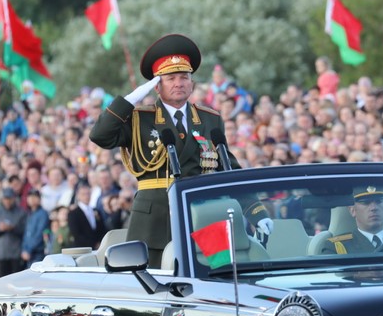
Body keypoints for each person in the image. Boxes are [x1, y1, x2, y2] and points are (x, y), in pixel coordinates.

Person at [90, 34, 271, 267]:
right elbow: (100, 136)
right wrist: (128, 101)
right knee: (153, 284)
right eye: (170, 78)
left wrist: (255, 211)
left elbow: (229, 169)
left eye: (184, 77)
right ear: (157, 86)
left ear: (192, 83)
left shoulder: (209, 119)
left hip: (204, 214)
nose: (179, 83)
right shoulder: (138, 118)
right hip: (156, 217)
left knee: (219, 280)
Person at [321, 187, 383, 254]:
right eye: (366, 203)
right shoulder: (337, 247)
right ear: (352, 210)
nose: (373, 208)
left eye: (378, 201)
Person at [0, 188, 27, 278]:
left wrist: (12, 228)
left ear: (13, 199)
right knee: (2, 279)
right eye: (5, 199)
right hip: (2, 252)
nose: (7, 201)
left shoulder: (21, 212)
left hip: (15, 252)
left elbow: (24, 230)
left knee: (16, 279)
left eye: (9, 199)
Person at [21, 190, 49, 267]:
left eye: (34, 197)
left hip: (38, 253)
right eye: (30, 197)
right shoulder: (29, 214)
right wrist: (24, 249)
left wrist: (28, 250)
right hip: (28, 254)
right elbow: (26, 234)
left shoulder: (43, 214)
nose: (32, 199)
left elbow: (39, 234)